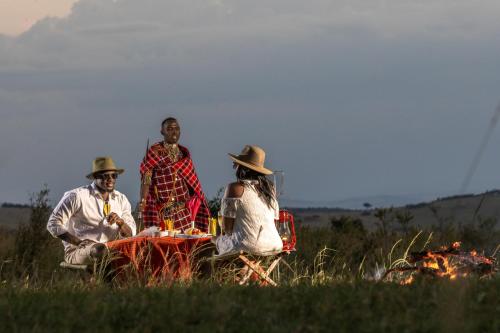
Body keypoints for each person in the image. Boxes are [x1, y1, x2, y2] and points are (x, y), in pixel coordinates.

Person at [47, 157, 136, 265]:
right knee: (100, 250)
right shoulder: (77, 196)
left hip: (112, 249)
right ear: (95, 177)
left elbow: (131, 234)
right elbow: (53, 223)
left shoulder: (121, 199)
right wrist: (78, 242)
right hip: (79, 250)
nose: (110, 179)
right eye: (105, 176)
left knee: (140, 248)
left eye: (114, 175)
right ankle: (103, 280)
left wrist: (121, 223)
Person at [139, 117, 210, 232]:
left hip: (185, 212)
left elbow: (192, 184)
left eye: (177, 128)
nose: (174, 131)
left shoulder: (184, 154)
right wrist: (143, 200)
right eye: (170, 129)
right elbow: (146, 177)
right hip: (164, 212)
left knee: (188, 245)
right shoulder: (155, 151)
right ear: (162, 132)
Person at [215, 145, 283, 256]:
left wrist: (218, 236)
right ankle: (248, 272)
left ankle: (225, 273)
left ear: (243, 168)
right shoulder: (269, 190)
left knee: (213, 241)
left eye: (236, 164)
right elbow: (274, 223)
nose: (234, 166)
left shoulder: (235, 188)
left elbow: (227, 229)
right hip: (274, 246)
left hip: (248, 246)